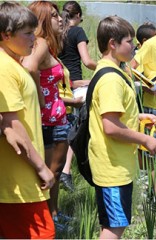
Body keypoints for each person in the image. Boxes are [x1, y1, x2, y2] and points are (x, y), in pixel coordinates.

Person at [90, 16, 156, 239]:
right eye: (130, 41)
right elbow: (110, 126)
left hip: (116, 164)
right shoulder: (111, 79)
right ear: (113, 43)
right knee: (114, 227)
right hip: (113, 168)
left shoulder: (113, 71)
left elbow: (114, 113)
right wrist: (144, 139)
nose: (135, 45)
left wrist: (138, 116)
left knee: (112, 223)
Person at [0, 2, 55, 238]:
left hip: (24, 175)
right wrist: (42, 167)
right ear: (6, 35)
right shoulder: (4, 68)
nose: (34, 38)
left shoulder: (15, 64)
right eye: (28, 33)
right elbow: (11, 125)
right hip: (18, 179)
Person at [22, 1, 74, 223]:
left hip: (55, 116)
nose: (60, 19)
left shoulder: (47, 45)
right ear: (42, 20)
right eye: (54, 15)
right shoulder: (41, 42)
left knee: (54, 171)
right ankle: (49, 218)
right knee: (50, 172)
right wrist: (41, 98)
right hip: (48, 119)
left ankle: (54, 213)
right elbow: (29, 67)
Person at [58, 0, 97, 192]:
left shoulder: (58, 31)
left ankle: (62, 168)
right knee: (80, 124)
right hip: (75, 84)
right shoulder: (77, 32)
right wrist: (108, 67)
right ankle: (68, 169)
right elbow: (87, 61)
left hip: (60, 84)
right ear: (79, 16)